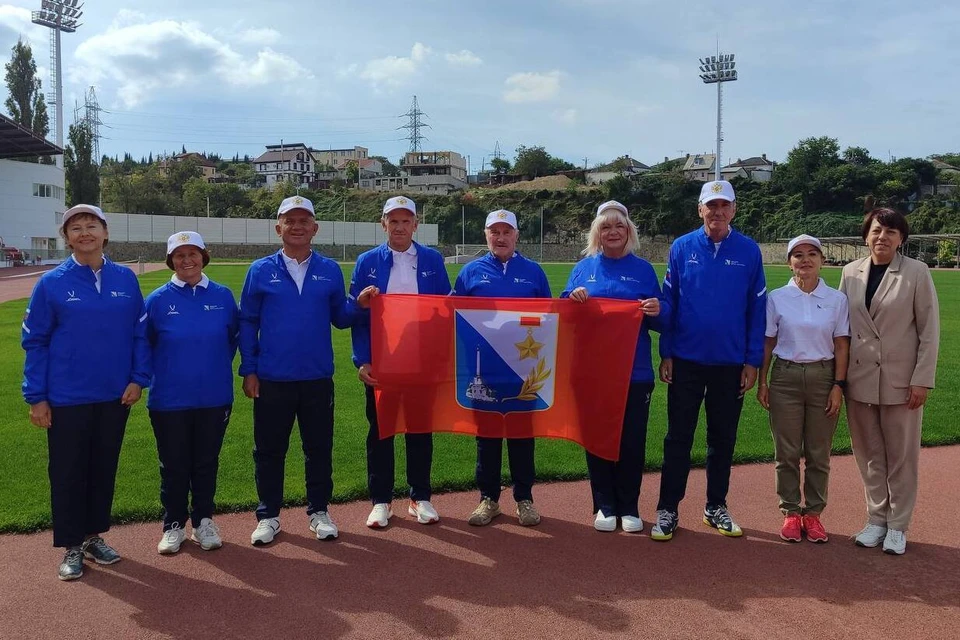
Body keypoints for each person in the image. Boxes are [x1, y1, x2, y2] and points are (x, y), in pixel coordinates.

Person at [21, 204, 150, 580]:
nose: (84, 233)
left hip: (114, 396)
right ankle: (72, 544)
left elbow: (140, 334)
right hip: (67, 397)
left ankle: (94, 536)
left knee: (102, 468)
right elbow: (35, 342)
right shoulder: (51, 283)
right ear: (67, 238)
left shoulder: (125, 279)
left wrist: (138, 378)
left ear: (105, 232)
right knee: (68, 472)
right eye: (75, 228)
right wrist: (37, 396)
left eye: (91, 225)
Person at [239, 196, 363, 546]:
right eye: (289, 220)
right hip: (272, 378)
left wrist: (360, 306)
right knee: (268, 450)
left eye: (303, 220)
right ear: (278, 227)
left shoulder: (329, 269)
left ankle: (319, 510)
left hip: (316, 377)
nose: (296, 226)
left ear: (315, 228)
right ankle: (268, 515)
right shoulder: (260, 270)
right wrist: (249, 370)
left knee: (318, 448)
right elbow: (247, 322)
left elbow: (340, 317)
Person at [652, 180, 766, 541]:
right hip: (685, 359)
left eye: (724, 206)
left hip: (730, 364)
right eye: (711, 206)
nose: (717, 212)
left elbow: (757, 309)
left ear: (733, 209)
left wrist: (752, 361)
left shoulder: (748, 250)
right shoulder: (682, 247)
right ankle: (668, 508)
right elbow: (670, 302)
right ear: (700, 209)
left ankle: (715, 505)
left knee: (723, 438)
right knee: (678, 438)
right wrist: (666, 350)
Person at [561, 200, 669, 533]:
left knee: (632, 441)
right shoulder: (584, 268)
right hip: (592, 372)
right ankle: (604, 504)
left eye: (619, 226)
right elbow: (564, 313)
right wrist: (572, 297)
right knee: (597, 437)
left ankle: (629, 505)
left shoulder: (643, 269)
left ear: (629, 232)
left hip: (634, 372)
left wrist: (656, 308)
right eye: (605, 227)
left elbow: (663, 319)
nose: (612, 232)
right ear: (597, 233)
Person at [839, 205, 940, 555]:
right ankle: (875, 519)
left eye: (891, 232)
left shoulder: (916, 272)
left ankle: (898, 525)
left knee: (901, 456)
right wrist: (840, 380)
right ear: (866, 235)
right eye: (877, 231)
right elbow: (843, 330)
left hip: (901, 381)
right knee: (868, 455)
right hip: (860, 379)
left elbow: (929, 331)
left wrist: (922, 379)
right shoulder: (850, 273)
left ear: (901, 239)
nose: (882, 237)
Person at [349, 196, 452, 528]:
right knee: (380, 431)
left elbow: (443, 312)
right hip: (383, 363)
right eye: (393, 221)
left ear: (416, 224)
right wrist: (362, 360)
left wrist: (437, 358)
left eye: (406, 221)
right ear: (383, 224)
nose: (399, 226)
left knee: (420, 430)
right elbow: (358, 315)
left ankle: (420, 497)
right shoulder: (367, 261)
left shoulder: (433, 260)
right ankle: (381, 500)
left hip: (420, 362)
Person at [452, 209, 551, 527]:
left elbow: (550, 318)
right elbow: (454, 316)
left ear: (517, 236)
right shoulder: (470, 273)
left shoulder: (534, 272)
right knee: (488, 436)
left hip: (525, 371)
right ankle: (489, 498)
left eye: (507, 231)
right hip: (485, 370)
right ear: (486, 235)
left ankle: (525, 498)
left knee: (523, 436)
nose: (501, 237)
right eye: (494, 231)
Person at [146, 232, 239, 554]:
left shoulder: (224, 297)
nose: (187, 260)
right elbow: (144, 345)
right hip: (169, 399)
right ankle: (173, 524)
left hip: (213, 397)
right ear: (171, 260)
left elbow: (232, 341)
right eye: (180, 255)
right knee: (173, 465)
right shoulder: (157, 300)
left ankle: (203, 521)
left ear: (204, 256)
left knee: (205, 462)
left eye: (193, 253)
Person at [757, 234, 849, 543]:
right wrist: (763, 381)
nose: (805, 260)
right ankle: (791, 513)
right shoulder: (777, 298)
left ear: (822, 260)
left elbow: (841, 345)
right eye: (798, 255)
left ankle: (814, 514)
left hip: (824, 377)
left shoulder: (836, 299)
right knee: (787, 451)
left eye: (812, 254)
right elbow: (768, 341)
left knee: (818, 453)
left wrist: (838, 385)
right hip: (786, 377)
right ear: (789, 262)